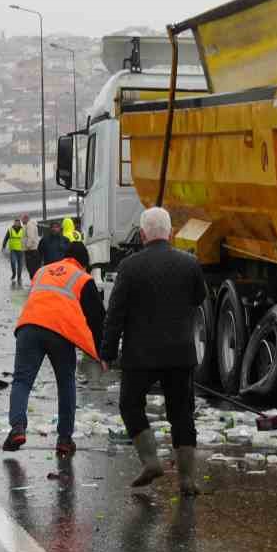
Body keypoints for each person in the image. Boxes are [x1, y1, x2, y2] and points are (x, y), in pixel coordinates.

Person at [100, 206, 208, 495]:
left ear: (143, 234)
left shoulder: (130, 267)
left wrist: (107, 352)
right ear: (171, 233)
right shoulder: (190, 264)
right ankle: (187, 479)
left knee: (130, 405)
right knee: (182, 412)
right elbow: (199, 297)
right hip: (180, 354)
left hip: (140, 355)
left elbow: (116, 314)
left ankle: (150, 461)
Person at [3, 241, 106, 457]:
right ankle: (65, 439)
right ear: (83, 263)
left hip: (29, 327)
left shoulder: (42, 271)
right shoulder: (82, 278)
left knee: (22, 381)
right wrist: (101, 352)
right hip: (60, 332)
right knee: (65, 383)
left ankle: (17, 428)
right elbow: (97, 318)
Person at [5, 216, 27, 287]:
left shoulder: (23, 229)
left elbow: (26, 238)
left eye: (18, 222)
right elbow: (6, 238)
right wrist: (3, 246)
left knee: (20, 265)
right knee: (13, 262)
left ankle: (19, 277)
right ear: (14, 223)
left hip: (21, 250)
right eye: (15, 222)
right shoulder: (10, 230)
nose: (16, 223)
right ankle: (14, 274)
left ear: (19, 223)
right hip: (13, 250)